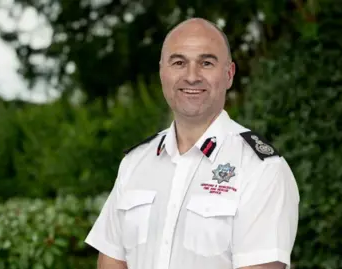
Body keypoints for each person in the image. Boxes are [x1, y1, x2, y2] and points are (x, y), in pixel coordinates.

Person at [85, 17, 300, 269]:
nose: (191, 76)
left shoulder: (261, 170)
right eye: (178, 62)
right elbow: (111, 262)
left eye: (206, 63)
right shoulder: (135, 164)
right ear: (162, 72)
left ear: (229, 74)